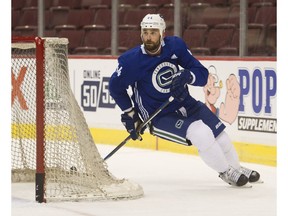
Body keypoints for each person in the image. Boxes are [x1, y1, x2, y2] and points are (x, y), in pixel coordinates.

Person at [109, 14, 261, 187]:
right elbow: (115, 87)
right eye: (145, 32)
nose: (148, 37)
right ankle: (226, 172)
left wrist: (188, 75)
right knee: (201, 133)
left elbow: (202, 75)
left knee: (221, 136)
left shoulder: (175, 46)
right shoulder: (131, 61)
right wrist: (131, 114)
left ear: (162, 33)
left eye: (153, 32)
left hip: (185, 103)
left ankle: (236, 167)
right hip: (159, 116)